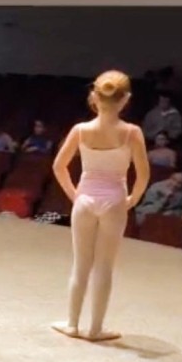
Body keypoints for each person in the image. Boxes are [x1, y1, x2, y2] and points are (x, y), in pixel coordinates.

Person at [51, 70, 149, 342]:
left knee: (81, 264)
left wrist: (75, 196)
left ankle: (72, 323)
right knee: (104, 266)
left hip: (85, 199)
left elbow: (59, 166)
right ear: (125, 99)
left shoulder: (80, 131)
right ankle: (95, 328)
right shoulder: (131, 133)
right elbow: (143, 174)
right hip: (115, 200)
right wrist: (132, 200)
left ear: (94, 96)